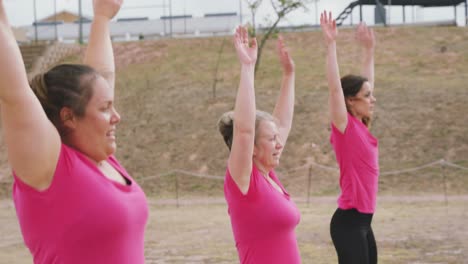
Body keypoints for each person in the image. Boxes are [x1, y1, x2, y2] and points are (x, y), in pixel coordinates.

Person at [0, 0, 148, 263]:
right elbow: (15, 93)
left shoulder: (103, 161)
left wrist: (102, 17)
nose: (117, 117)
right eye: (105, 108)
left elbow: (102, 77)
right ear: (68, 117)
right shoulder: (47, 167)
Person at [218, 26, 301, 264]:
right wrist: (247, 67)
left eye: (277, 139)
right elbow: (244, 130)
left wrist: (289, 75)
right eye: (271, 139)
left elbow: (282, 122)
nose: (279, 144)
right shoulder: (244, 181)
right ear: (252, 147)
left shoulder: (268, 176)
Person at [320, 11, 379, 264]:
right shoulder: (344, 127)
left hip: (365, 222)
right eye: (367, 96)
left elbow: (367, 83)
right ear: (350, 101)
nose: (372, 99)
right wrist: (331, 44)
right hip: (348, 223)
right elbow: (335, 88)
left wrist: (368, 50)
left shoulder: (362, 126)